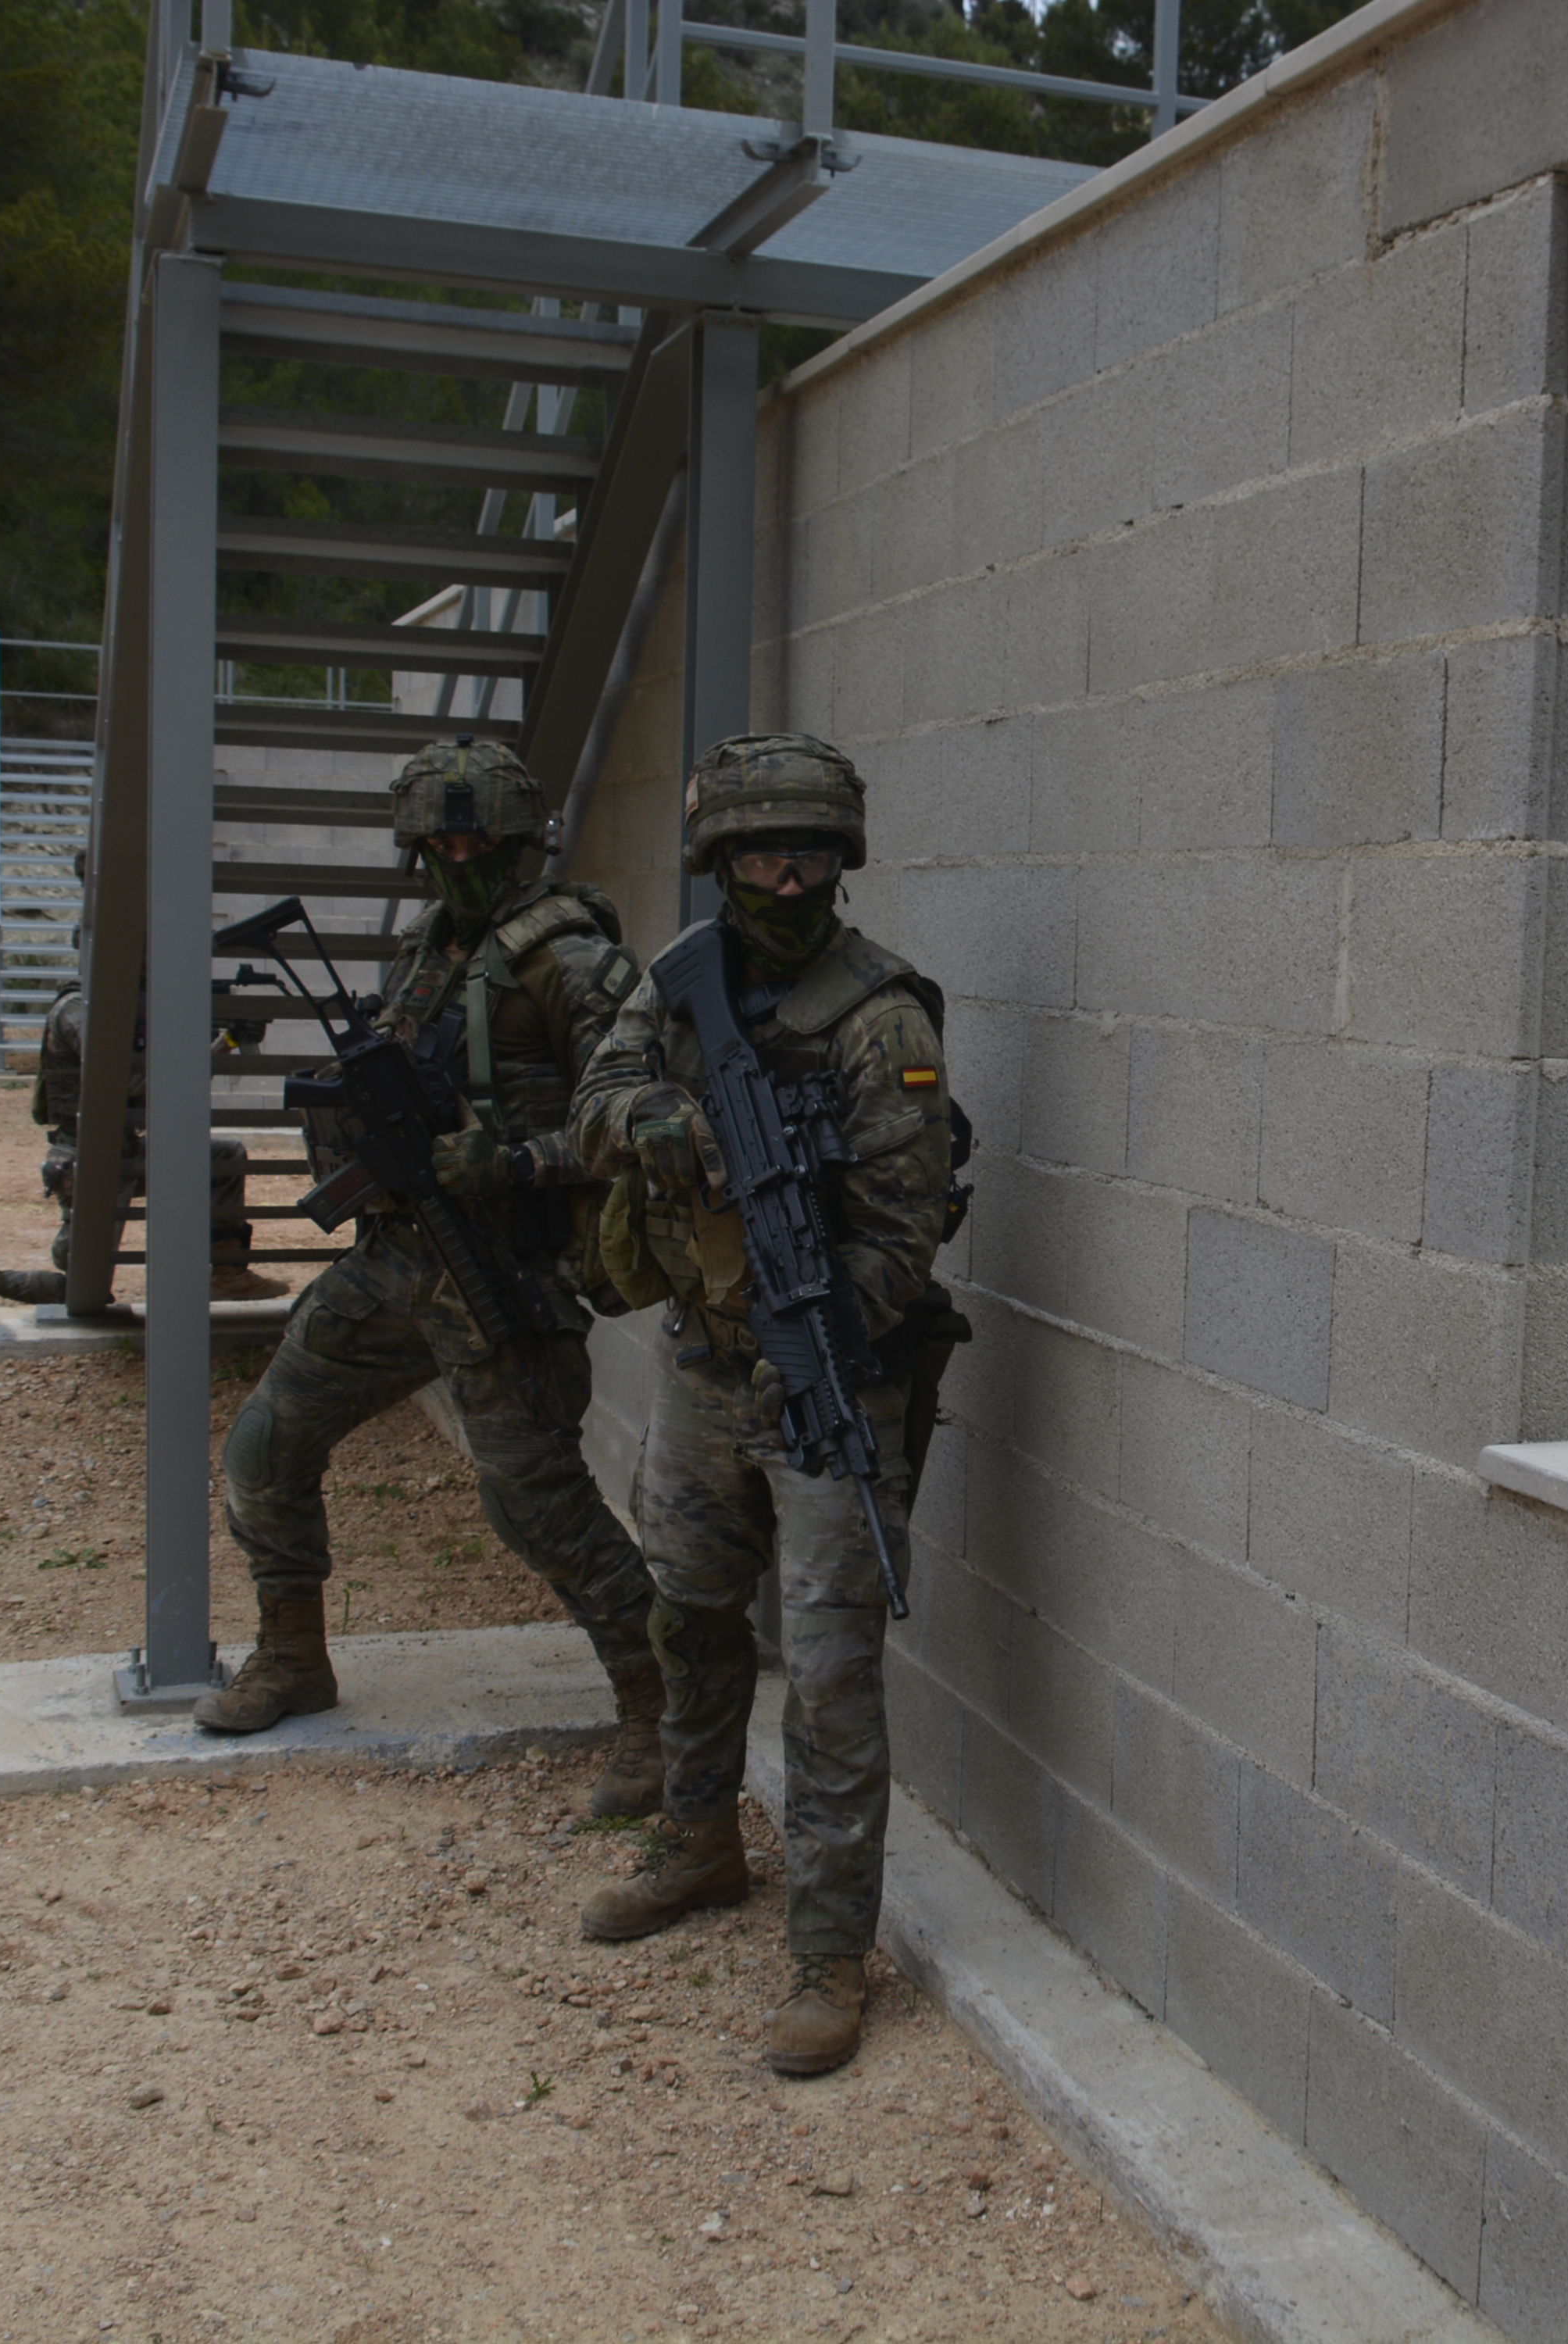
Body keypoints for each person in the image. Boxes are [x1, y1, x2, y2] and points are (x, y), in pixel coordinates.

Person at [564, 732, 963, 2079]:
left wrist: (814, 1345)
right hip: (699, 1366)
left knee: (834, 1674)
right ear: (718, 863)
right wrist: (674, 1131)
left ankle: (827, 1951)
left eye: (806, 856)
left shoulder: (882, 1018)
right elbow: (595, 1106)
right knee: (686, 1607)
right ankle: (696, 1842)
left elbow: (901, 1246)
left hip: (831, 1371)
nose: (784, 881)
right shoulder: (685, 993)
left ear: (839, 861)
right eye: (757, 856)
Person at [195, 738, 673, 1819]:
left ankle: (660, 1710)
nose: (460, 855)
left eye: (480, 839)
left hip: (506, 1268)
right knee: (265, 1444)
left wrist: (512, 1158)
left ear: (521, 841)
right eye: (441, 840)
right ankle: (291, 1652)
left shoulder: (580, 964)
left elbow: (639, 1125)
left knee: (536, 1505)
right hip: (401, 1261)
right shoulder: (430, 951)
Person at [0, 984, 284, 1307]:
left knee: (224, 1157)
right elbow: (130, 1083)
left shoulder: (121, 1009)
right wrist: (210, 1043)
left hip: (125, 1150)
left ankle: (229, 1272)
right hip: (88, 1159)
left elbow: (164, 1087)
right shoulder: (77, 1010)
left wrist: (225, 1040)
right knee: (84, 1294)